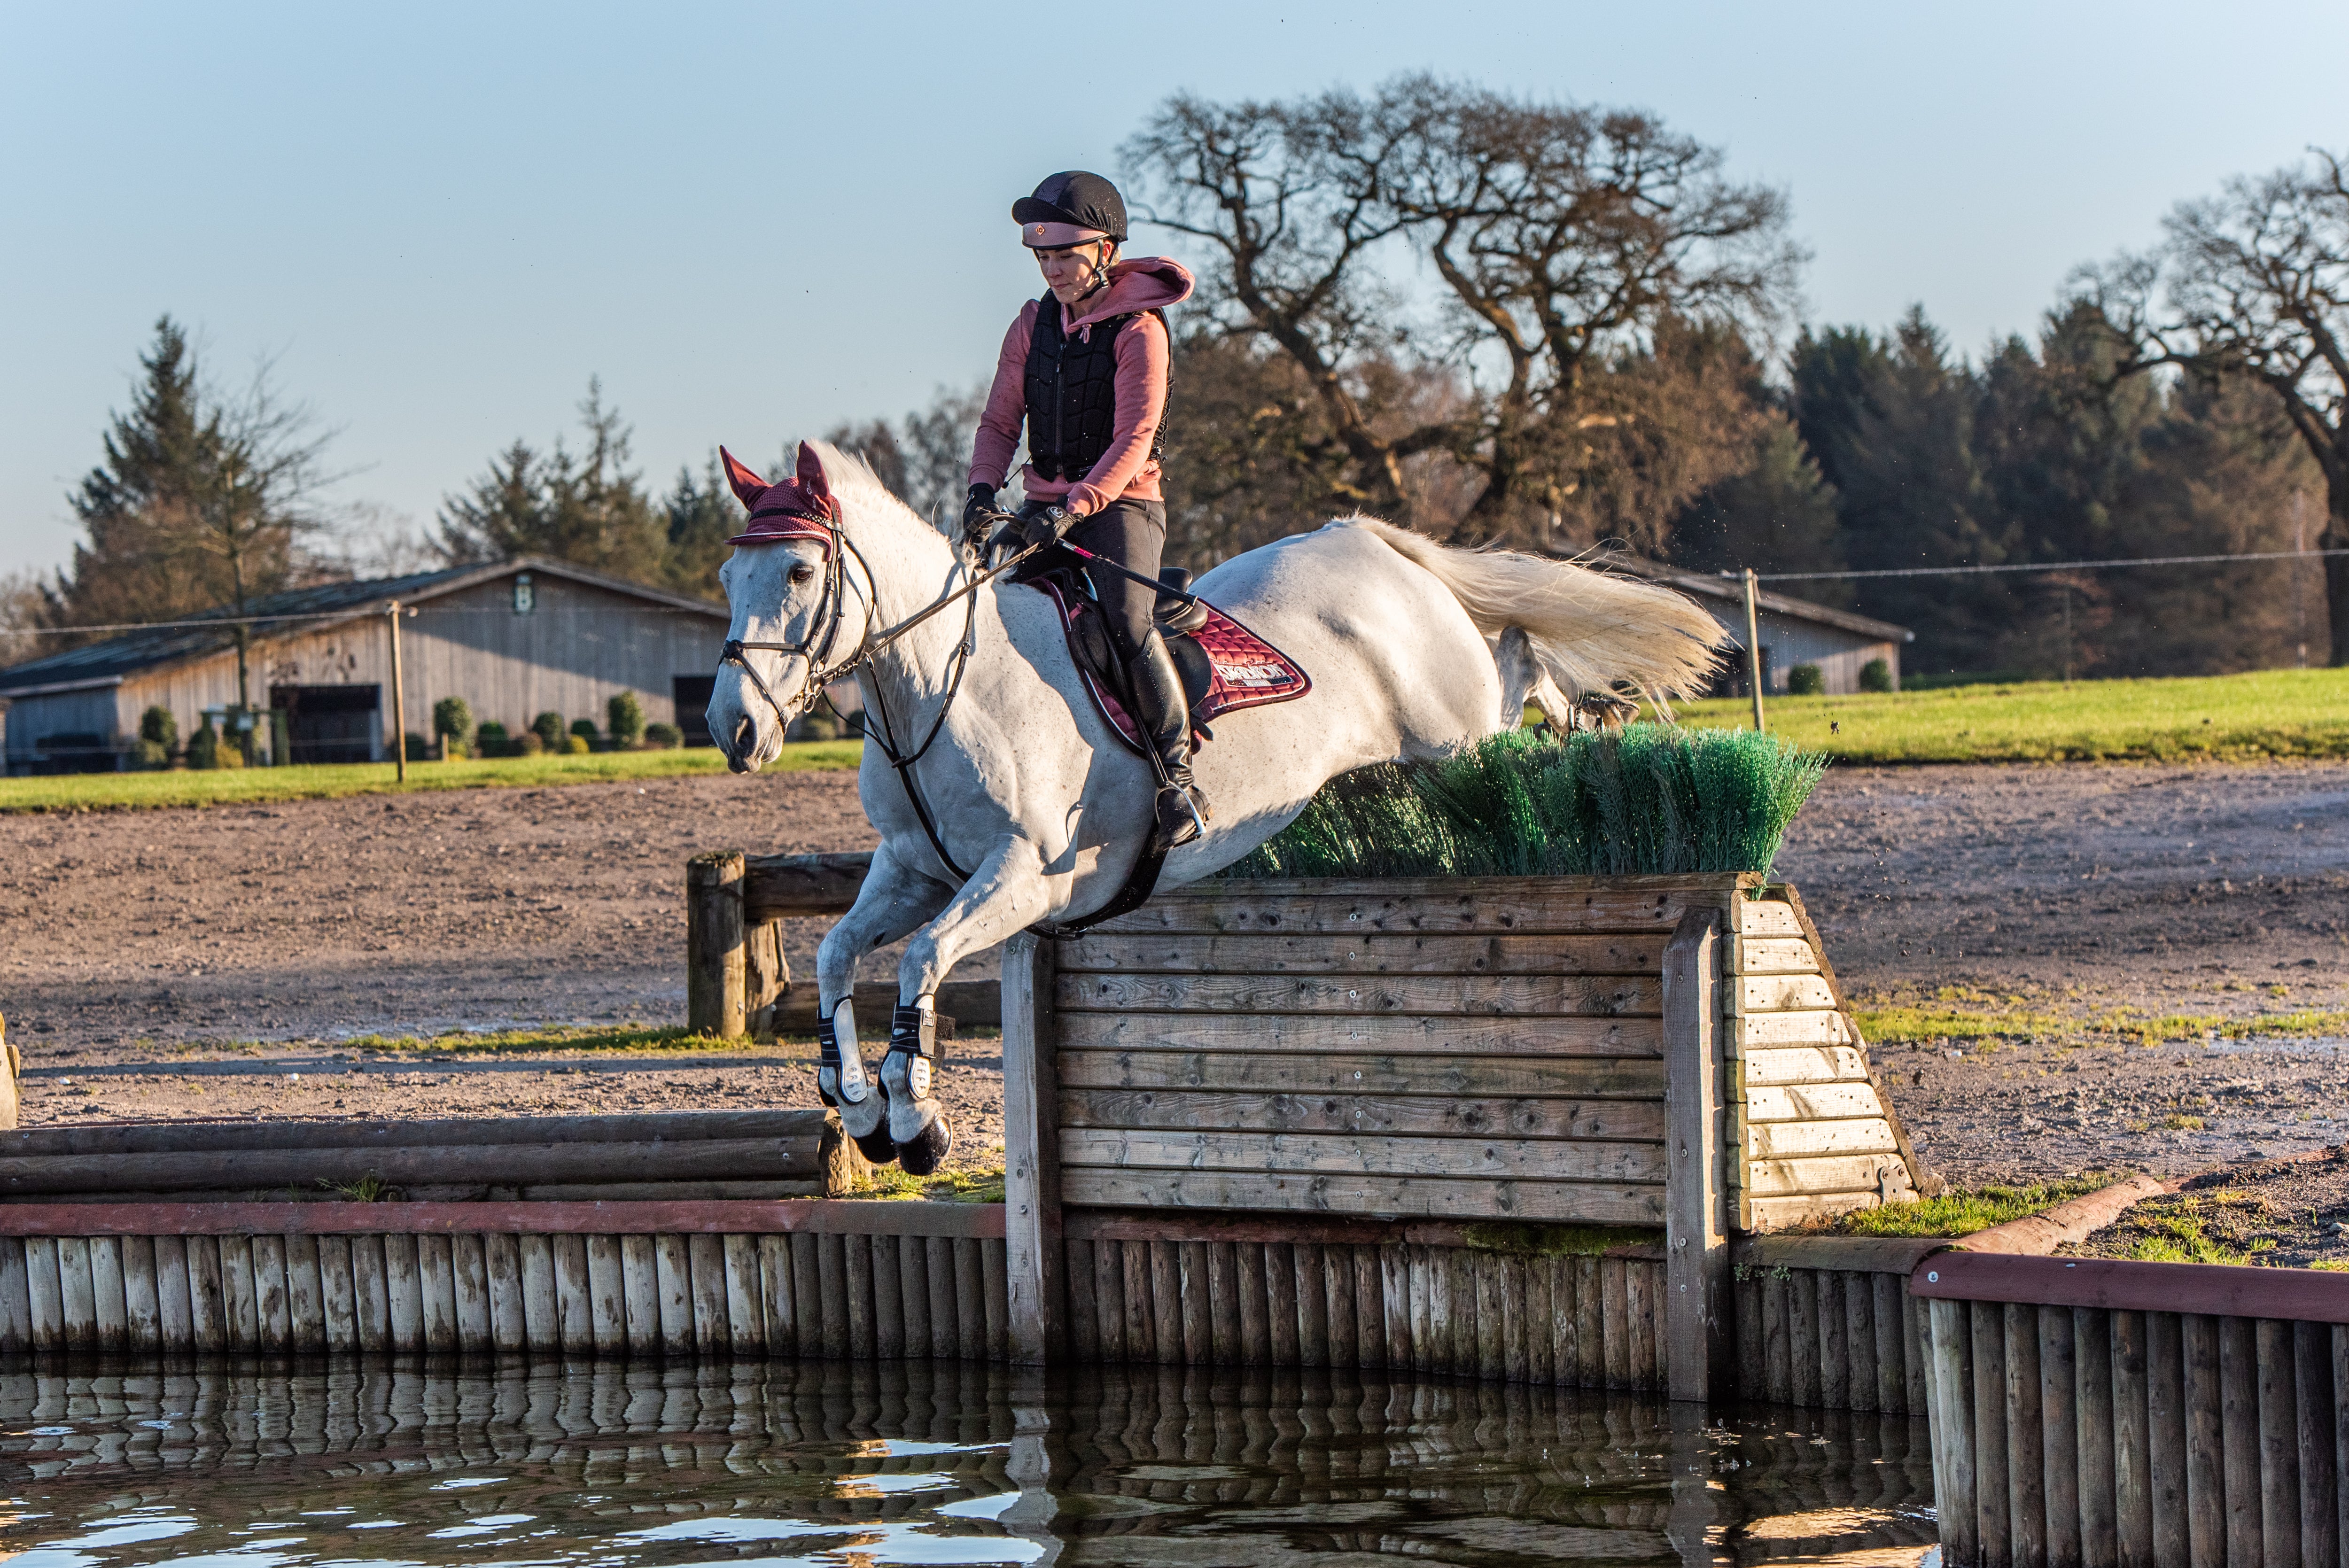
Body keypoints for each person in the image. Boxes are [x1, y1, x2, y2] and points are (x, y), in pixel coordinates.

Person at [962, 170, 1206, 849]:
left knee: (1125, 621)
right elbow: (998, 422)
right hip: (1042, 508)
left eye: (1065, 256)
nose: (1053, 270)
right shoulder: (1028, 323)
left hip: (1120, 508)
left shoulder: (1141, 330)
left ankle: (1176, 778)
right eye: (1042, 258)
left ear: (1105, 250)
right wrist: (982, 491)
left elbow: (1133, 440)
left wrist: (1074, 507)